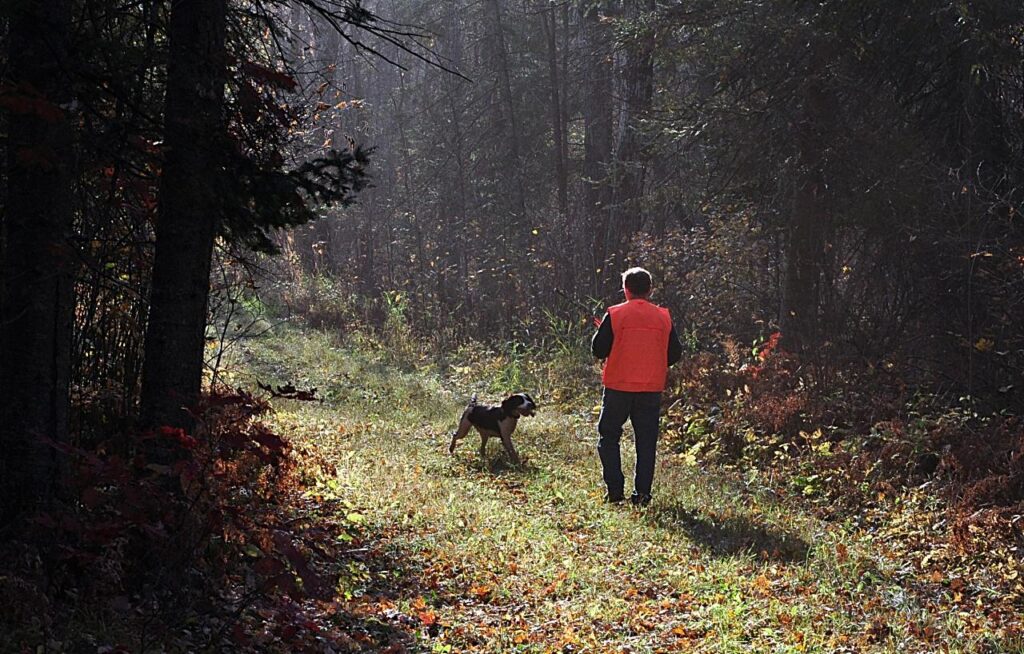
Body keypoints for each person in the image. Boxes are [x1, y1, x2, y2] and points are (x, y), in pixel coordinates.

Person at [591, 267, 683, 506]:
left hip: (618, 386)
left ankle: (614, 491)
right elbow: (674, 353)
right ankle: (642, 495)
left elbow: (598, 350)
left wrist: (606, 332)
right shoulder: (663, 317)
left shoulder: (616, 313)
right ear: (650, 290)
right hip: (650, 388)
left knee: (609, 436)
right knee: (646, 441)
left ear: (626, 289)